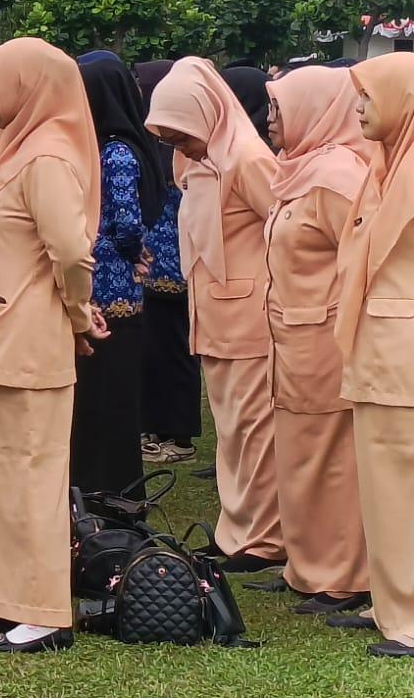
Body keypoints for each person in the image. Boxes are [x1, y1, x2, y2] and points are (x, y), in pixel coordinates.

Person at [0, 38, 101, 653]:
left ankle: (43, 614)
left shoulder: (48, 157)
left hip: (23, 341)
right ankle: (4, 597)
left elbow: (72, 253)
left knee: (28, 473)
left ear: (29, 88)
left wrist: (78, 315)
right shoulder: (13, 149)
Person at [146, 58, 286, 574]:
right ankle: (236, 533)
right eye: (169, 138)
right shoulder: (196, 164)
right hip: (214, 315)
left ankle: (262, 539)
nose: (179, 146)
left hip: (250, 317)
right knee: (231, 432)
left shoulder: (247, 159)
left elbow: (286, 228)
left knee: (254, 433)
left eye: (183, 135)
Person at [254, 65, 373, 615]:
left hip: (324, 340)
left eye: (279, 107)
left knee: (333, 460)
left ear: (314, 110)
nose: (269, 119)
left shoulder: (336, 176)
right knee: (298, 455)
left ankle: (343, 576)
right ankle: (305, 566)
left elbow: (362, 261)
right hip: (292, 339)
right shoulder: (297, 169)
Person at [337, 51, 414, 657]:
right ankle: (390, 600)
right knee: (382, 487)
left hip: (402, 354)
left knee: (401, 482)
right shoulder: (384, 166)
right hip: (377, 351)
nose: (358, 108)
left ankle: (408, 617)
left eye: (369, 96)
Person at [71, 57, 155, 494]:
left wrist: (132, 251)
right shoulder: (106, 147)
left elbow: (126, 223)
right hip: (109, 288)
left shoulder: (115, 153)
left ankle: (113, 490)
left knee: (110, 394)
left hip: (111, 292)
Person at [135, 60, 201, 464]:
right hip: (155, 264)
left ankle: (180, 436)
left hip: (176, 264)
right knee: (157, 349)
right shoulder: (155, 140)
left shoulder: (181, 145)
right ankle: (158, 428)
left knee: (176, 349)